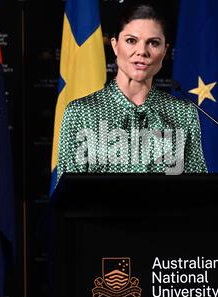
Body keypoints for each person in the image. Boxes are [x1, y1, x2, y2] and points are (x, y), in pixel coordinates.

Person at [57, 3, 207, 181]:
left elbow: (197, 192)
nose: (142, 51)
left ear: (165, 51)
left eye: (153, 43)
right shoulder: (79, 113)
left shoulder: (184, 114)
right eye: (131, 41)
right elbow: (70, 197)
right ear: (115, 45)